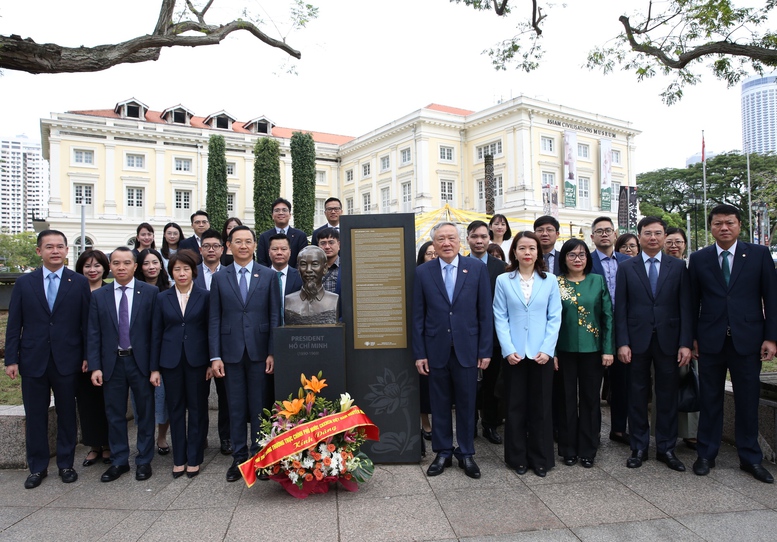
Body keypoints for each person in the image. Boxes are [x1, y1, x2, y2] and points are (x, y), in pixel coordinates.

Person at [689, 204, 777, 483]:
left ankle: (750, 458)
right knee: (710, 399)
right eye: (717, 223)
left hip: (748, 339)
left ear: (739, 225)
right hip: (710, 340)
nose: (723, 228)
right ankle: (706, 454)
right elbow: (692, 302)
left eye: (729, 223)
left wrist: (771, 337)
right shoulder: (699, 258)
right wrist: (691, 338)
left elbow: (772, 298)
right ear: (711, 227)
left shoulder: (759, 254)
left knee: (748, 400)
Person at [4, 230, 90, 489]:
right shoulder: (24, 283)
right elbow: (14, 324)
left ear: (66, 251)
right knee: (36, 415)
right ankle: (37, 467)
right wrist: (11, 359)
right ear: (39, 251)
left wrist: (87, 356)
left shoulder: (78, 282)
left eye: (60, 246)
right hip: (33, 359)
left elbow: (86, 324)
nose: (55, 251)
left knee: (66, 413)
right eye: (49, 246)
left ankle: (66, 464)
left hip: (67, 359)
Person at [414, 222, 493, 480]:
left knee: (467, 402)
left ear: (460, 241)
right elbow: (417, 316)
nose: (446, 243)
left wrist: (485, 349)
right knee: (439, 403)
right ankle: (443, 451)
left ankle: (467, 452)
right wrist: (419, 353)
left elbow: (485, 313)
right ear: (433, 244)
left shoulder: (478, 269)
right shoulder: (423, 272)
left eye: (451, 238)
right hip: (435, 348)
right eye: (440, 239)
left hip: (468, 348)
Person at [615, 217, 692, 472]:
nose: (653, 238)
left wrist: (685, 343)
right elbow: (621, 308)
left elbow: (685, 308)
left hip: (669, 340)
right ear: (639, 236)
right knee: (637, 393)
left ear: (664, 236)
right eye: (648, 233)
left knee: (667, 395)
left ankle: (666, 448)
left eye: (658, 233)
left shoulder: (678, 267)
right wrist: (623, 342)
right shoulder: (627, 268)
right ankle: (638, 447)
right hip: (636, 341)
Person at [209, 225, 280, 482]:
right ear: (229, 246)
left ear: (254, 245)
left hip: (260, 352)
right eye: (237, 241)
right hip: (230, 354)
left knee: (259, 407)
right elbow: (214, 319)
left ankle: (259, 455)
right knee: (236, 407)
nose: (243, 246)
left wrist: (273, 351)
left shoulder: (268, 275)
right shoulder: (220, 277)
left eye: (248, 241)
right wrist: (214, 356)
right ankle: (239, 458)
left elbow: (275, 316)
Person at [493, 231, 561, 477]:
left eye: (532, 248)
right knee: (515, 407)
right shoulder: (503, 280)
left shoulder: (550, 280)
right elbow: (500, 316)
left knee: (541, 408)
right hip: (515, 354)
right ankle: (517, 458)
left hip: (541, 353)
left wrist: (547, 349)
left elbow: (555, 317)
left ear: (538, 252)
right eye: (522, 248)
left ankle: (540, 459)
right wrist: (508, 349)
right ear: (515, 252)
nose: (528, 253)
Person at [88, 247, 158, 482]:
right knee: (115, 414)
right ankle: (119, 461)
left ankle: (144, 460)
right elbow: (94, 334)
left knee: (145, 413)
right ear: (110, 266)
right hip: (112, 364)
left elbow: (154, 333)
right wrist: (96, 366)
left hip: (141, 363)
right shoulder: (99, 296)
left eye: (126, 263)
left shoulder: (150, 292)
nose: (121, 267)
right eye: (116, 263)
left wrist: (155, 367)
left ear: (135, 266)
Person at [151, 249, 211, 478]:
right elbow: (156, 333)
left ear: (193, 271)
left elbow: (209, 330)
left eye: (186, 269)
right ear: (171, 272)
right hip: (170, 361)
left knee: (197, 409)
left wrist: (210, 362)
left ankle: (194, 457)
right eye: (177, 269)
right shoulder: (162, 297)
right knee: (175, 409)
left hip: (198, 361)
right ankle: (179, 458)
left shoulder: (204, 296)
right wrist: (154, 368)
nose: (182, 273)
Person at [555, 239, 613, 468]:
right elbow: (551, 320)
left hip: (593, 350)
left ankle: (588, 449)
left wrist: (608, 349)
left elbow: (607, 317)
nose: (577, 259)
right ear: (564, 258)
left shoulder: (597, 281)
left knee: (590, 401)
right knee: (566, 400)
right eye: (572, 255)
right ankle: (568, 448)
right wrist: (553, 352)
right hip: (564, 350)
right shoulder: (556, 283)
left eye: (581, 255)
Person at [589, 216, 631, 445]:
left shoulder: (627, 261)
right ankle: (593, 430)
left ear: (615, 234)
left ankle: (618, 428)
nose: (604, 234)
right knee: (593, 383)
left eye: (608, 230)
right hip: (594, 330)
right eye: (599, 231)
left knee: (622, 383)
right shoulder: (586, 261)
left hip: (623, 330)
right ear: (592, 236)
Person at [192, 229, 232, 456]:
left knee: (226, 396)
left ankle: (226, 437)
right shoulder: (190, 273)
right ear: (200, 249)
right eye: (206, 246)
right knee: (198, 397)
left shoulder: (230, 274)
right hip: (196, 344)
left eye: (215, 246)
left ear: (222, 249)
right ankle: (200, 438)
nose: (211, 249)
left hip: (223, 344)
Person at [467, 220, 506, 445]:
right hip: (467, 334)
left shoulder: (501, 267)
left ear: (489, 238)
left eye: (483, 236)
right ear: (468, 239)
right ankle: (469, 423)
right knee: (468, 383)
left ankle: (490, 424)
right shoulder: (459, 263)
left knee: (492, 383)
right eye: (474, 236)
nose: (479, 240)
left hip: (494, 335)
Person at [75, 249, 112, 466]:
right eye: (87, 266)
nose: (92, 270)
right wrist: (85, 355)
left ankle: (107, 444)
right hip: (81, 357)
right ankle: (93, 445)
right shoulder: (75, 291)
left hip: (106, 355)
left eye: (97, 265)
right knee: (87, 402)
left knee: (106, 401)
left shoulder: (110, 290)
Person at [662, 227, 698, 449]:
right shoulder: (659, 267)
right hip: (664, 335)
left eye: (678, 242)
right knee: (665, 386)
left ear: (685, 244)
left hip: (690, 334)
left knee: (691, 381)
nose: (674, 246)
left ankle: (691, 432)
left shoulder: (692, 267)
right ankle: (665, 431)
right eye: (670, 242)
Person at [134, 248, 171, 456]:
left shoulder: (168, 289)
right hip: (139, 352)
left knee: (162, 397)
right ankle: (143, 438)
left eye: (155, 262)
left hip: (164, 352)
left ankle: (162, 437)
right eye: (146, 263)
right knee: (141, 399)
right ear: (139, 266)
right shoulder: (134, 289)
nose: (151, 267)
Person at [284, 245, 339, 325]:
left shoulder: (334, 300)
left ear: (325, 268)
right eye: (303, 264)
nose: (308, 270)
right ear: (298, 269)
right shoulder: (289, 300)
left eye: (314, 264)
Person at [415, 241, 437, 440]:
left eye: (435, 253)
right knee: (423, 386)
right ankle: (425, 422)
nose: (433, 256)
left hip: (440, 341)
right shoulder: (419, 276)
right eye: (429, 254)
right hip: (424, 340)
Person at [256, 198, 309, 268]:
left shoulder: (300, 236)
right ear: (272, 215)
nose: (281, 213)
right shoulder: (264, 236)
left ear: (290, 215)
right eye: (277, 210)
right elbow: (261, 261)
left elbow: (303, 260)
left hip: (294, 276)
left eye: (284, 210)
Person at [268, 233, 303, 325]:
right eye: (275, 249)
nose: (279, 252)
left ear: (290, 252)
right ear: (269, 252)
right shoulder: (261, 277)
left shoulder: (300, 277)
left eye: (283, 249)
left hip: (293, 330)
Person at [317, 227, 340, 294]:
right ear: (318, 246)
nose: (327, 247)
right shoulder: (312, 268)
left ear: (339, 245)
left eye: (331, 242)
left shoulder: (347, 267)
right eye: (323, 243)